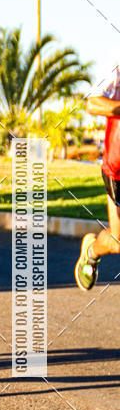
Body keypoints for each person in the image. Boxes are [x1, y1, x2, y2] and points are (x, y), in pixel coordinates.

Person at [75, 66, 120, 289]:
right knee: (117, 242)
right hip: (117, 169)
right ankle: (91, 251)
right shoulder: (116, 68)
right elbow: (92, 103)